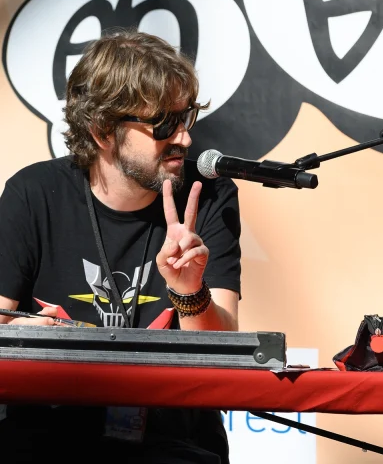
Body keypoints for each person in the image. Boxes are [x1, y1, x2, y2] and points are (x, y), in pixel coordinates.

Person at [0, 30, 241, 463]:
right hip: (47, 437)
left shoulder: (208, 196)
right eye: (163, 124)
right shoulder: (33, 194)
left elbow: (222, 357)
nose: (184, 139)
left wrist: (190, 291)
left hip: (174, 443)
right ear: (103, 131)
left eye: (186, 118)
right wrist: (24, 335)